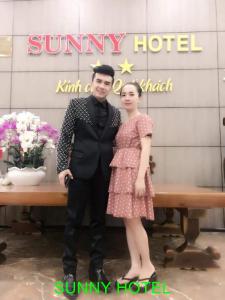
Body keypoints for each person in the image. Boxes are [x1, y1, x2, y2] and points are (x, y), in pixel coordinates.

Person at [57, 65, 121, 297]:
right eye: (99, 81)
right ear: (91, 82)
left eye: (107, 83)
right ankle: (69, 272)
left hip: (104, 173)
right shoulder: (77, 105)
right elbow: (64, 135)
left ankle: (96, 268)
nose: (102, 86)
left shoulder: (116, 113)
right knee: (73, 221)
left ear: (111, 87)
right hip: (79, 172)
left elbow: (115, 143)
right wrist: (62, 166)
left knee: (98, 222)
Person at [107, 81, 157, 293]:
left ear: (139, 97)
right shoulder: (122, 124)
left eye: (131, 94)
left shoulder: (143, 119)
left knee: (135, 222)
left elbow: (146, 149)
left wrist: (139, 179)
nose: (127, 97)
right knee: (128, 222)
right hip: (121, 174)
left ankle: (148, 267)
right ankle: (135, 266)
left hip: (133, 173)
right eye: (123, 94)